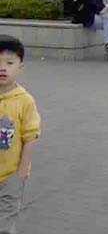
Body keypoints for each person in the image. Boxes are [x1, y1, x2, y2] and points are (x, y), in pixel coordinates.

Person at [0, 35, 41, 234]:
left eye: (9, 63)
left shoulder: (24, 101)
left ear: (20, 67)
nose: (3, 68)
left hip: (10, 175)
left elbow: (30, 136)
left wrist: (23, 170)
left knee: (5, 223)